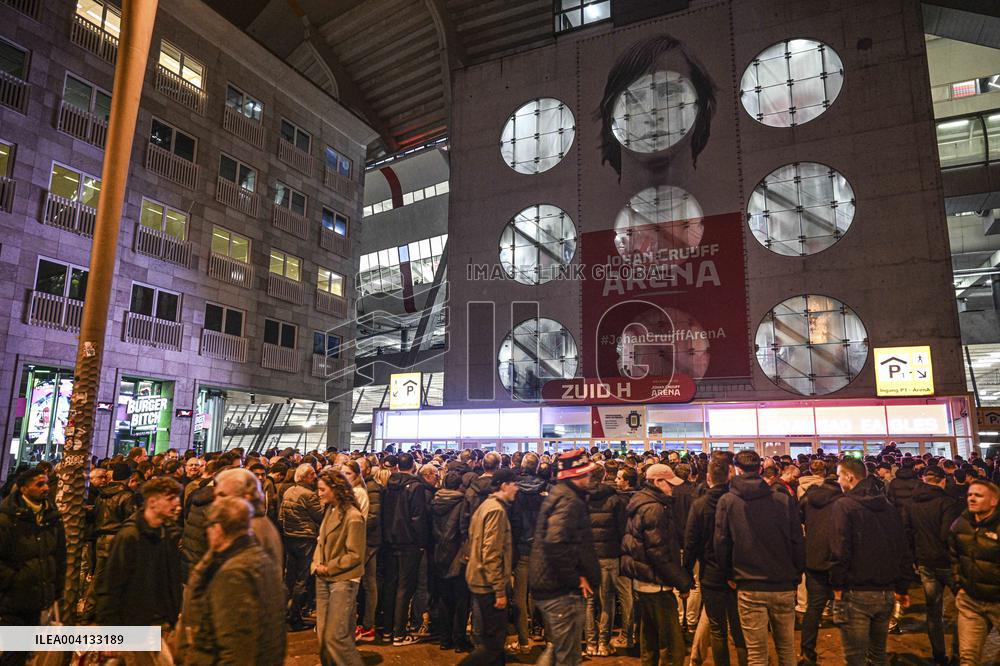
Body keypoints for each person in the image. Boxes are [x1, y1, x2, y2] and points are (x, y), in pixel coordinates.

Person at [714, 450, 804, 666]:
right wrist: (796, 575)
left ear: (736, 469)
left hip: (749, 582)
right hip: (782, 582)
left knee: (756, 653)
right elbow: (797, 540)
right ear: (760, 469)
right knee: (786, 649)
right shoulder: (782, 499)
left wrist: (729, 574)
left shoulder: (728, 501)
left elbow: (722, 542)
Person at [178, 497, 286, 665]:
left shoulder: (232, 574)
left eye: (209, 527)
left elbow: (236, 645)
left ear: (218, 528)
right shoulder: (260, 558)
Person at [829, 457, 913, 666]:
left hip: (855, 591)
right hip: (885, 593)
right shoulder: (887, 506)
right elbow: (902, 547)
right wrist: (902, 587)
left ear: (849, 476)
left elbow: (840, 549)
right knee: (878, 655)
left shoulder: (845, 506)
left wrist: (837, 585)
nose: (838, 481)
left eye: (839, 475)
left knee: (855, 658)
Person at [529, 449, 601, 666]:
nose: (589, 478)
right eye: (585, 474)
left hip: (552, 584)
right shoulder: (569, 500)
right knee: (567, 656)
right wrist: (575, 578)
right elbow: (555, 541)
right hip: (560, 589)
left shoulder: (562, 494)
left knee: (558, 651)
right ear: (574, 475)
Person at [622, 463, 693, 666]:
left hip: (644, 581)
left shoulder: (642, 502)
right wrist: (682, 581)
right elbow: (657, 552)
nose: (672, 488)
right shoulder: (654, 508)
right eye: (669, 484)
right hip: (657, 583)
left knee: (650, 641)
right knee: (671, 645)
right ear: (657, 482)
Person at [94, 477, 184, 627]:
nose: (177, 504)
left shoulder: (168, 534)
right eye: (170, 498)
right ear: (153, 502)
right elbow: (112, 584)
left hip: (162, 622)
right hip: (134, 624)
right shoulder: (130, 536)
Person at [685, 459, 746, 666]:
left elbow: (691, 541)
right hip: (738, 572)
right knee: (739, 629)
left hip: (710, 572)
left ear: (709, 478)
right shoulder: (738, 501)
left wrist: (687, 571)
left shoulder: (700, 505)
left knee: (717, 629)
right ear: (730, 476)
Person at [0, 465, 65, 659]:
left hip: (38, 599)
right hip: (13, 601)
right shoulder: (7, 519)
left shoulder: (51, 517)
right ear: (23, 488)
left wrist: (56, 589)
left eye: (46, 483)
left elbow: (59, 555)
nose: (46, 488)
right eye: (39, 484)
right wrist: (16, 579)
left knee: (26, 652)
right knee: (14, 653)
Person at [904, 466, 962, 665]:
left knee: (933, 611)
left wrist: (915, 558)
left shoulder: (912, 503)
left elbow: (908, 533)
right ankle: (958, 652)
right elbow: (948, 534)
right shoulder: (947, 502)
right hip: (946, 562)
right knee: (963, 609)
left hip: (925, 562)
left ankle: (939, 656)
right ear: (942, 480)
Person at [461, 468, 518, 666]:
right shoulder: (496, 510)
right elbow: (491, 552)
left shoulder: (486, 506)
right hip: (488, 583)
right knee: (493, 643)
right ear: (504, 485)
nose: (517, 489)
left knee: (493, 641)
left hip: (479, 577)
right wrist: (499, 589)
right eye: (514, 484)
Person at [312, 470, 366, 666]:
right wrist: (316, 564)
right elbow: (321, 541)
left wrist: (328, 567)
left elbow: (355, 555)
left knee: (336, 637)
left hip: (343, 580)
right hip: (324, 577)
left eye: (322, 489)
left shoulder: (353, 517)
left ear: (335, 489)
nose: (318, 493)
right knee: (325, 635)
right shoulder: (330, 511)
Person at [948, 479, 1000, 665]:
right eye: (970, 494)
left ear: (993, 501)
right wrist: (958, 585)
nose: (972, 498)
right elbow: (953, 556)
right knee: (968, 657)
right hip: (971, 601)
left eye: (978, 495)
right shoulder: (961, 524)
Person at [382, 452, 432, 646]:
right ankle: (399, 633)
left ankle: (387, 630)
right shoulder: (415, 487)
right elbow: (418, 517)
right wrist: (421, 542)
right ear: (413, 466)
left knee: (390, 586)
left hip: (390, 541)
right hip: (409, 543)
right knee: (405, 588)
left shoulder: (388, 485)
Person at [797, 464, 842, 665]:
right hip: (838, 559)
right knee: (847, 607)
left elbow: (798, 519)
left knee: (813, 609)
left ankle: (807, 652)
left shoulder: (809, 499)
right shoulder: (844, 501)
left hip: (814, 558)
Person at [585, 464, 627, 657]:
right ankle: (604, 643)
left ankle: (590, 644)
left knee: (589, 602)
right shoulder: (615, 499)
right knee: (607, 600)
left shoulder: (580, 498)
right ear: (604, 477)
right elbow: (622, 530)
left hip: (587, 557)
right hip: (609, 556)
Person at [280, 463, 324, 630]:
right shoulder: (309, 495)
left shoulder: (289, 491)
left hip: (290, 536)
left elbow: (281, 515)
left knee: (290, 576)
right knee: (303, 578)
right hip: (305, 538)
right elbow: (319, 516)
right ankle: (294, 616)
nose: (315, 477)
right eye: (312, 474)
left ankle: (286, 611)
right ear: (305, 477)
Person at [509, 452, 547, 652]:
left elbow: (513, 520)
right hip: (540, 549)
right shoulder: (545, 488)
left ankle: (523, 640)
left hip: (522, 548)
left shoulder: (514, 489)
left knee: (520, 597)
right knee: (542, 593)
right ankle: (546, 637)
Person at [431, 470, 471, 652]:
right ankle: (459, 639)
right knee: (461, 599)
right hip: (457, 555)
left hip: (439, 552)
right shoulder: (462, 502)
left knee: (444, 598)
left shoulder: (435, 500)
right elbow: (463, 529)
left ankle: (444, 639)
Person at [215, 468, 283, 567]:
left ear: (245, 496)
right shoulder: (249, 521)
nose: (217, 500)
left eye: (223, 494)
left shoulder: (250, 529)